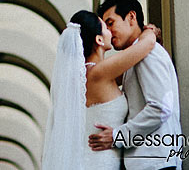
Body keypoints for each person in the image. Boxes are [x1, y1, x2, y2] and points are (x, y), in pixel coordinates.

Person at [41, 9, 158, 170]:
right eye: (106, 27)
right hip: (99, 162)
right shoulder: (99, 72)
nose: (110, 31)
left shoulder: (87, 76)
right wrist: (150, 32)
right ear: (99, 39)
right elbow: (147, 44)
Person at [89, 0, 182, 170]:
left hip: (155, 163)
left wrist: (117, 136)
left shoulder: (148, 54)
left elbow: (161, 108)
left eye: (111, 23)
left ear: (131, 17)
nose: (108, 32)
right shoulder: (135, 55)